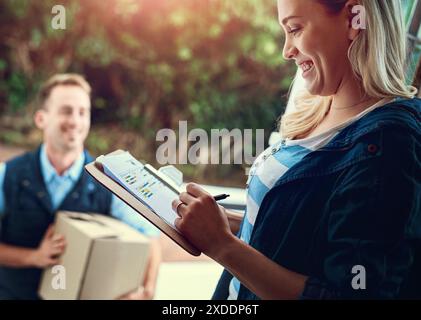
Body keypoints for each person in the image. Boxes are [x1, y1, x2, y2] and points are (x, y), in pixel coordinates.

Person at [171, 0, 421, 299]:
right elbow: (301, 232)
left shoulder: (389, 144)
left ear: (355, 18)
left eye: (295, 29)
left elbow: (354, 293)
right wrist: (228, 225)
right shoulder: (316, 109)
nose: (286, 50)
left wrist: (223, 246)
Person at [0, 73, 161, 300]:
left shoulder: (109, 181)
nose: (75, 121)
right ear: (41, 119)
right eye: (66, 111)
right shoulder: (8, 175)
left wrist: (147, 291)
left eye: (82, 112)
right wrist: (33, 257)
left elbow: (150, 237)